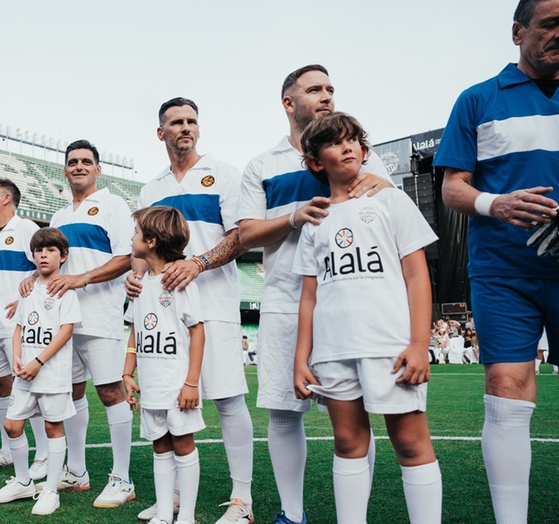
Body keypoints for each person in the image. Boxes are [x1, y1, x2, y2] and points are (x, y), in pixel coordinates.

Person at [237, 65, 391, 524]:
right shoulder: (262, 165)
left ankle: (355, 515)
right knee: (284, 411)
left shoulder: (363, 154)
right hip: (286, 299)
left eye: (330, 89)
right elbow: (245, 235)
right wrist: (293, 217)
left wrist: (372, 183)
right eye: (314, 89)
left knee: (357, 414)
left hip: (352, 298)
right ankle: (292, 512)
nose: (326, 96)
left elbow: (388, 207)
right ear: (289, 103)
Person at [437, 4, 559, 520]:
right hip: (505, 272)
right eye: (550, 23)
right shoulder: (477, 99)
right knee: (506, 387)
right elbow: (451, 188)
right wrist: (496, 203)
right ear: (518, 32)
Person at [292, 112, 442, 523]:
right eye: (336, 142)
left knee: (410, 442)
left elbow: (416, 275)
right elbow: (309, 297)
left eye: (354, 139)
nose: (349, 147)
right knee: (346, 440)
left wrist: (419, 343)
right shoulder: (315, 220)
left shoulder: (390, 200)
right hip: (334, 348)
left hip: (389, 345)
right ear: (315, 163)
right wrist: (301, 358)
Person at [128, 97, 254, 524]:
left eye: (191, 121)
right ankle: (175, 499)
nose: (185, 127)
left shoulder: (224, 174)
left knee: (227, 398)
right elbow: (143, 251)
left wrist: (197, 263)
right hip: (161, 310)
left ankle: (242, 500)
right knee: (168, 399)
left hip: (213, 301)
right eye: (176, 122)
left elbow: (241, 236)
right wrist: (136, 274)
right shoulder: (151, 187)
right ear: (160, 132)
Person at [21, 139, 135, 508]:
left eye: (87, 161)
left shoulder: (113, 204)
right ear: (65, 169)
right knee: (70, 394)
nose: (79, 167)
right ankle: (78, 470)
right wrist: (31, 277)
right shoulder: (57, 217)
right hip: (61, 319)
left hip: (100, 314)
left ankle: (122, 478)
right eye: (73, 162)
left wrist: (80, 279)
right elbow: (54, 263)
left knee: (110, 392)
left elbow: (127, 257)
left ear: (98, 169)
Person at [123, 206, 205, 524]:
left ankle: (186, 515)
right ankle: (163, 511)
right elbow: (135, 330)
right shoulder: (138, 284)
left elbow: (197, 331)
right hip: (152, 383)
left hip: (176, 384)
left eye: (137, 233)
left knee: (182, 443)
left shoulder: (181, 283)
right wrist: (127, 372)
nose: (133, 238)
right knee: (159, 444)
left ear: (152, 241)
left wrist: (192, 383)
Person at [0, 227, 81, 516]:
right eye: (38, 250)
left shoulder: (66, 291)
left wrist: (38, 361)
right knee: (12, 425)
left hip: (50, 373)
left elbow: (65, 332)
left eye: (50, 250)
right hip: (24, 374)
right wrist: (17, 357)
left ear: (63, 256)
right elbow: (18, 327)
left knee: (53, 427)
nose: (43, 254)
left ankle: (51, 490)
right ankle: (23, 481)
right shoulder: (27, 288)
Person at [0, 178, 49, 479]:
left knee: (32, 389)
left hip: (19, 326)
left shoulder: (27, 229)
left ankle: (43, 455)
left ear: (6, 198)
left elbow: (44, 267)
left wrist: (26, 295)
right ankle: (8, 449)